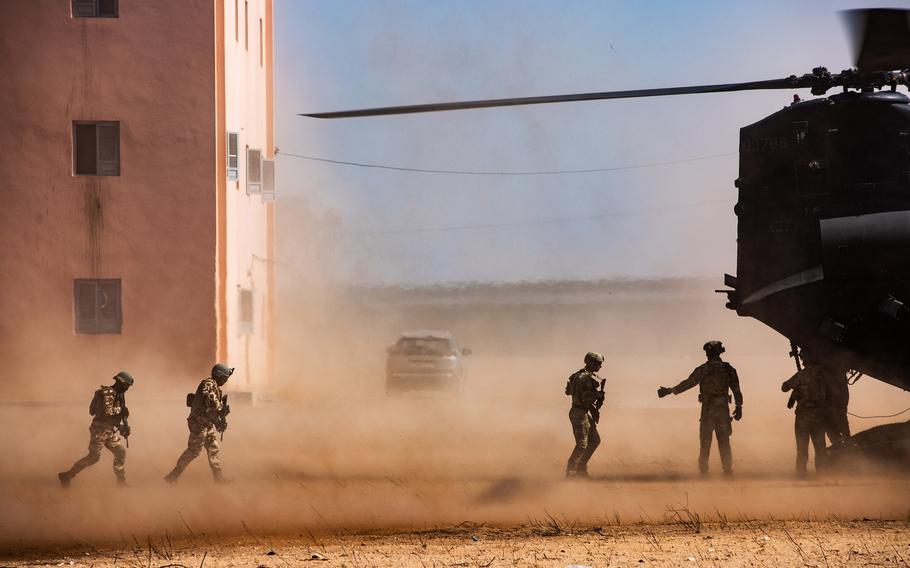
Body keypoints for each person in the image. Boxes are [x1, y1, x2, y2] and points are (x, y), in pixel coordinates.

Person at [658, 341, 743, 478]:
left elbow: (688, 383)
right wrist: (739, 407)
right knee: (724, 443)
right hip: (722, 411)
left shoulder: (704, 369)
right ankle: (727, 471)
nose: (706, 355)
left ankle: (704, 473)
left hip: (708, 411)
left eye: (707, 352)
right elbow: (737, 390)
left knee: (705, 443)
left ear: (709, 353)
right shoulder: (728, 369)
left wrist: (669, 391)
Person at [58, 371, 134, 487]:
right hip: (100, 430)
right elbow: (107, 412)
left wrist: (122, 426)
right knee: (94, 457)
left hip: (109, 430)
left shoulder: (118, 394)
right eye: (126, 385)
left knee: (120, 452)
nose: (127, 388)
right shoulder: (108, 392)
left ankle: (121, 482)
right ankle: (67, 475)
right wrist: (121, 410)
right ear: (121, 382)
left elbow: (100, 413)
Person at [164, 364, 232, 484]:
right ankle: (173, 475)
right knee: (194, 450)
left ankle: (218, 478)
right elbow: (209, 398)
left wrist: (219, 421)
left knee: (213, 448)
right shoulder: (209, 384)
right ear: (219, 376)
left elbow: (211, 410)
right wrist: (219, 408)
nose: (226, 380)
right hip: (199, 423)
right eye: (225, 378)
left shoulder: (216, 386)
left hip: (206, 423)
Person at [781, 351, 828, 477]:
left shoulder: (801, 375)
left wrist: (796, 388)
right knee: (820, 447)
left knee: (802, 449)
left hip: (803, 416)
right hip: (819, 416)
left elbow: (784, 387)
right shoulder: (824, 375)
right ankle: (822, 474)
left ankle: (801, 475)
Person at [564, 351, 606, 479]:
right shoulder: (585, 377)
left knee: (595, 440)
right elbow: (584, 399)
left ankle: (580, 467)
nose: (600, 366)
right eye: (599, 363)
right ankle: (571, 473)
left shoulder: (577, 375)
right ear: (591, 362)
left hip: (581, 412)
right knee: (582, 444)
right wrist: (597, 395)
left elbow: (568, 391)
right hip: (579, 413)